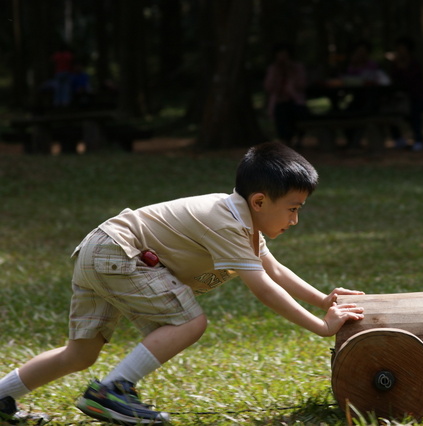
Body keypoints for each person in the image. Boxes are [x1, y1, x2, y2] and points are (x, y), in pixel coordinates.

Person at [0, 142, 365, 425]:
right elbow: (263, 288)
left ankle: (2, 397)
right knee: (189, 322)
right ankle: (113, 391)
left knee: (80, 353)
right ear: (259, 200)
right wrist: (320, 327)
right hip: (118, 253)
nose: (295, 219)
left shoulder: (243, 223)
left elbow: (274, 270)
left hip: (101, 250)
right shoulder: (225, 221)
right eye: (293, 208)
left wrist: (323, 300)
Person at [388, 37, 423, 152]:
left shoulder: (414, 64)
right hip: (402, 99)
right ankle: (398, 139)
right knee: (388, 111)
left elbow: (413, 83)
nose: (400, 51)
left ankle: (418, 140)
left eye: (402, 49)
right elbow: (393, 81)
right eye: (398, 49)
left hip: (419, 98)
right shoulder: (395, 65)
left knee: (414, 111)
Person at [264, 43, 310, 146]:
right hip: (279, 101)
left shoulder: (297, 68)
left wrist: (291, 73)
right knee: (281, 113)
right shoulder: (273, 69)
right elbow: (269, 87)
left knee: (299, 113)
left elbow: (302, 85)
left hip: (296, 101)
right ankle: (286, 140)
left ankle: (298, 139)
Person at [51, 43, 74, 107]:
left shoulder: (56, 55)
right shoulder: (68, 55)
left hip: (58, 73)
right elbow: (71, 62)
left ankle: (57, 102)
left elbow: (53, 62)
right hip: (65, 73)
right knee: (65, 88)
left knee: (58, 88)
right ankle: (65, 102)